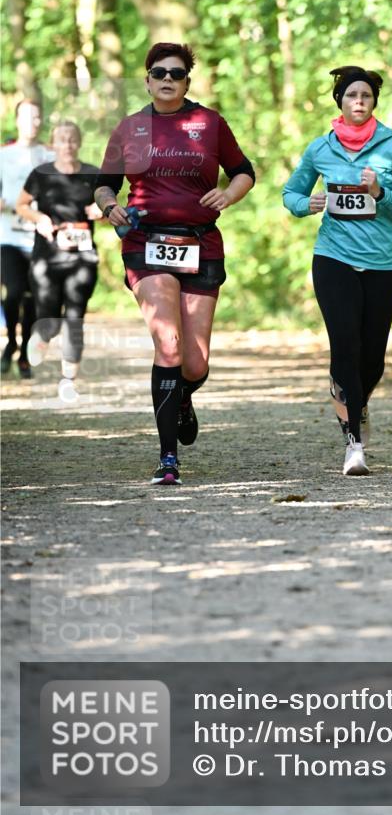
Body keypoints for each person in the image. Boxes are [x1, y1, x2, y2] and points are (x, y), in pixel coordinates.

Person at [94, 42, 255, 485]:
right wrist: (111, 209)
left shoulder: (209, 123)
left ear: (187, 80)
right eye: (159, 72)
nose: (168, 79)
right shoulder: (129, 129)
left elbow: (245, 171)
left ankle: (182, 396)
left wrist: (229, 193)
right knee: (168, 343)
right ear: (147, 79)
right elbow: (104, 185)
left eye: (177, 73)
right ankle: (168, 458)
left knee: (194, 363)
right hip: (145, 242)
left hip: (200, 243)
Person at [283, 65, 392, 476]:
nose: (358, 102)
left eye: (365, 96)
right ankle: (354, 444)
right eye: (351, 96)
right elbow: (291, 191)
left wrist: (382, 193)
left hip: (383, 263)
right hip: (333, 258)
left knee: (373, 358)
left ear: (373, 102)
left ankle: (355, 400)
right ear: (340, 102)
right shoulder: (320, 149)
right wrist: (302, 204)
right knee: (344, 345)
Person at [16, 120, 101, 401]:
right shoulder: (41, 174)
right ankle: (41, 335)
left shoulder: (93, 174)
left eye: (72, 139)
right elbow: (22, 205)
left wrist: (100, 208)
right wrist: (39, 218)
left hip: (82, 255)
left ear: (79, 142)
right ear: (53, 145)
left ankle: (68, 380)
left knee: (75, 315)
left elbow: (109, 203)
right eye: (62, 140)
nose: (67, 144)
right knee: (49, 318)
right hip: (47, 257)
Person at [0, 99, 53, 379]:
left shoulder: (49, 155)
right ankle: (10, 342)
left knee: (34, 297)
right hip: (8, 235)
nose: (31, 122)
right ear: (16, 120)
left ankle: (22, 355)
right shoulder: (3, 154)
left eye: (36, 117)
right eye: (26, 117)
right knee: (13, 293)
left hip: (39, 237)